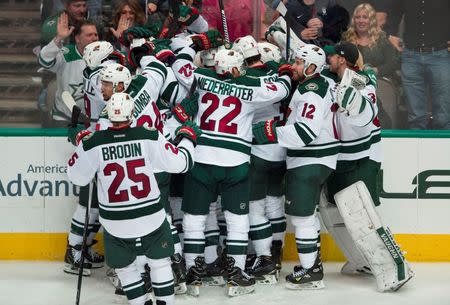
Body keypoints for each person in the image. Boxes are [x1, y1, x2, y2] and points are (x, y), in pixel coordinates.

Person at [173, 47, 292, 296]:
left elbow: (179, 66)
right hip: (235, 162)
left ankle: (194, 273)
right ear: (238, 68)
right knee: (237, 221)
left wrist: (190, 45)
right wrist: (284, 73)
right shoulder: (250, 89)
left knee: (194, 219)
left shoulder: (202, 78)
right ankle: (236, 275)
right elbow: (281, 89)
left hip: (202, 159)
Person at [67, 91, 200, 305]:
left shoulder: (93, 143)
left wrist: (80, 143)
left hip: (115, 221)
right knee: (159, 263)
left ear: (108, 114)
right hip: (151, 216)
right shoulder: (148, 135)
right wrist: (188, 138)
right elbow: (181, 163)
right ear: (132, 114)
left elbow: (77, 177)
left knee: (125, 268)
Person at [252, 43, 337, 290]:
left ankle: (311, 271)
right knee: (307, 216)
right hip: (319, 158)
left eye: (299, 63)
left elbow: (305, 131)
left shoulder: (311, 91)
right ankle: (313, 265)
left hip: (309, 159)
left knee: (301, 218)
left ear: (312, 67)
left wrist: (270, 132)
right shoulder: (321, 83)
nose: (294, 66)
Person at [232, 36, 286, 283]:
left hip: (258, 147)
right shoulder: (275, 72)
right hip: (281, 146)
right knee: (274, 202)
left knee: (255, 207)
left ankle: (264, 258)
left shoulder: (243, 79)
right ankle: (276, 253)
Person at [382, 0, 450, 129]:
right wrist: (390, 33)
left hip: (440, 54)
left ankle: (445, 149)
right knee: (415, 118)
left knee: (443, 116)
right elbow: (393, 11)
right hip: (411, 55)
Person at [341, 3, 400, 128]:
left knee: (384, 95)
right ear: (354, 20)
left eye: (365, 17)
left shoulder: (382, 38)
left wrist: (375, 70)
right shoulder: (346, 39)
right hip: (352, 82)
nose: (361, 20)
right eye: (358, 17)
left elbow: (393, 63)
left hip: (379, 82)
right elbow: (340, 62)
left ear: (371, 20)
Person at [38, 18, 99, 126]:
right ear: (77, 39)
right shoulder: (66, 54)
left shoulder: (105, 55)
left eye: (95, 34)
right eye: (89, 35)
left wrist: (124, 42)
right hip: (65, 117)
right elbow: (44, 60)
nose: (94, 38)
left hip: (94, 119)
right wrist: (59, 38)